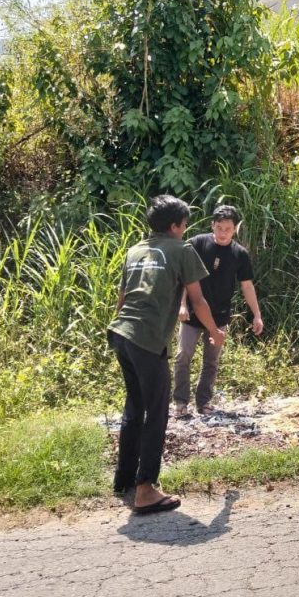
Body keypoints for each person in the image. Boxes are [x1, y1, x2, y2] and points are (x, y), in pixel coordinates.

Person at [107, 195, 226, 513]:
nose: (185, 230)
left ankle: (124, 480)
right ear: (175, 226)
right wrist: (215, 332)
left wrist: (126, 332)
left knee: (135, 407)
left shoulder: (135, 250)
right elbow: (198, 301)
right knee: (157, 412)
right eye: (184, 224)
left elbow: (122, 297)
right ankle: (145, 490)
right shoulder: (182, 249)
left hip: (121, 333)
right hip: (146, 339)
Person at [173, 204, 263, 416]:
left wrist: (257, 314)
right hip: (192, 313)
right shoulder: (196, 243)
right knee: (183, 355)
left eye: (228, 229)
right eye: (219, 228)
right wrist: (182, 304)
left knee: (211, 361)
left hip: (219, 315)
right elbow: (183, 278)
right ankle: (180, 402)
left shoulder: (239, 254)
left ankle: (203, 402)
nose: (223, 233)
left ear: (235, 229)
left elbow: (247, 285)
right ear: (212, 225)